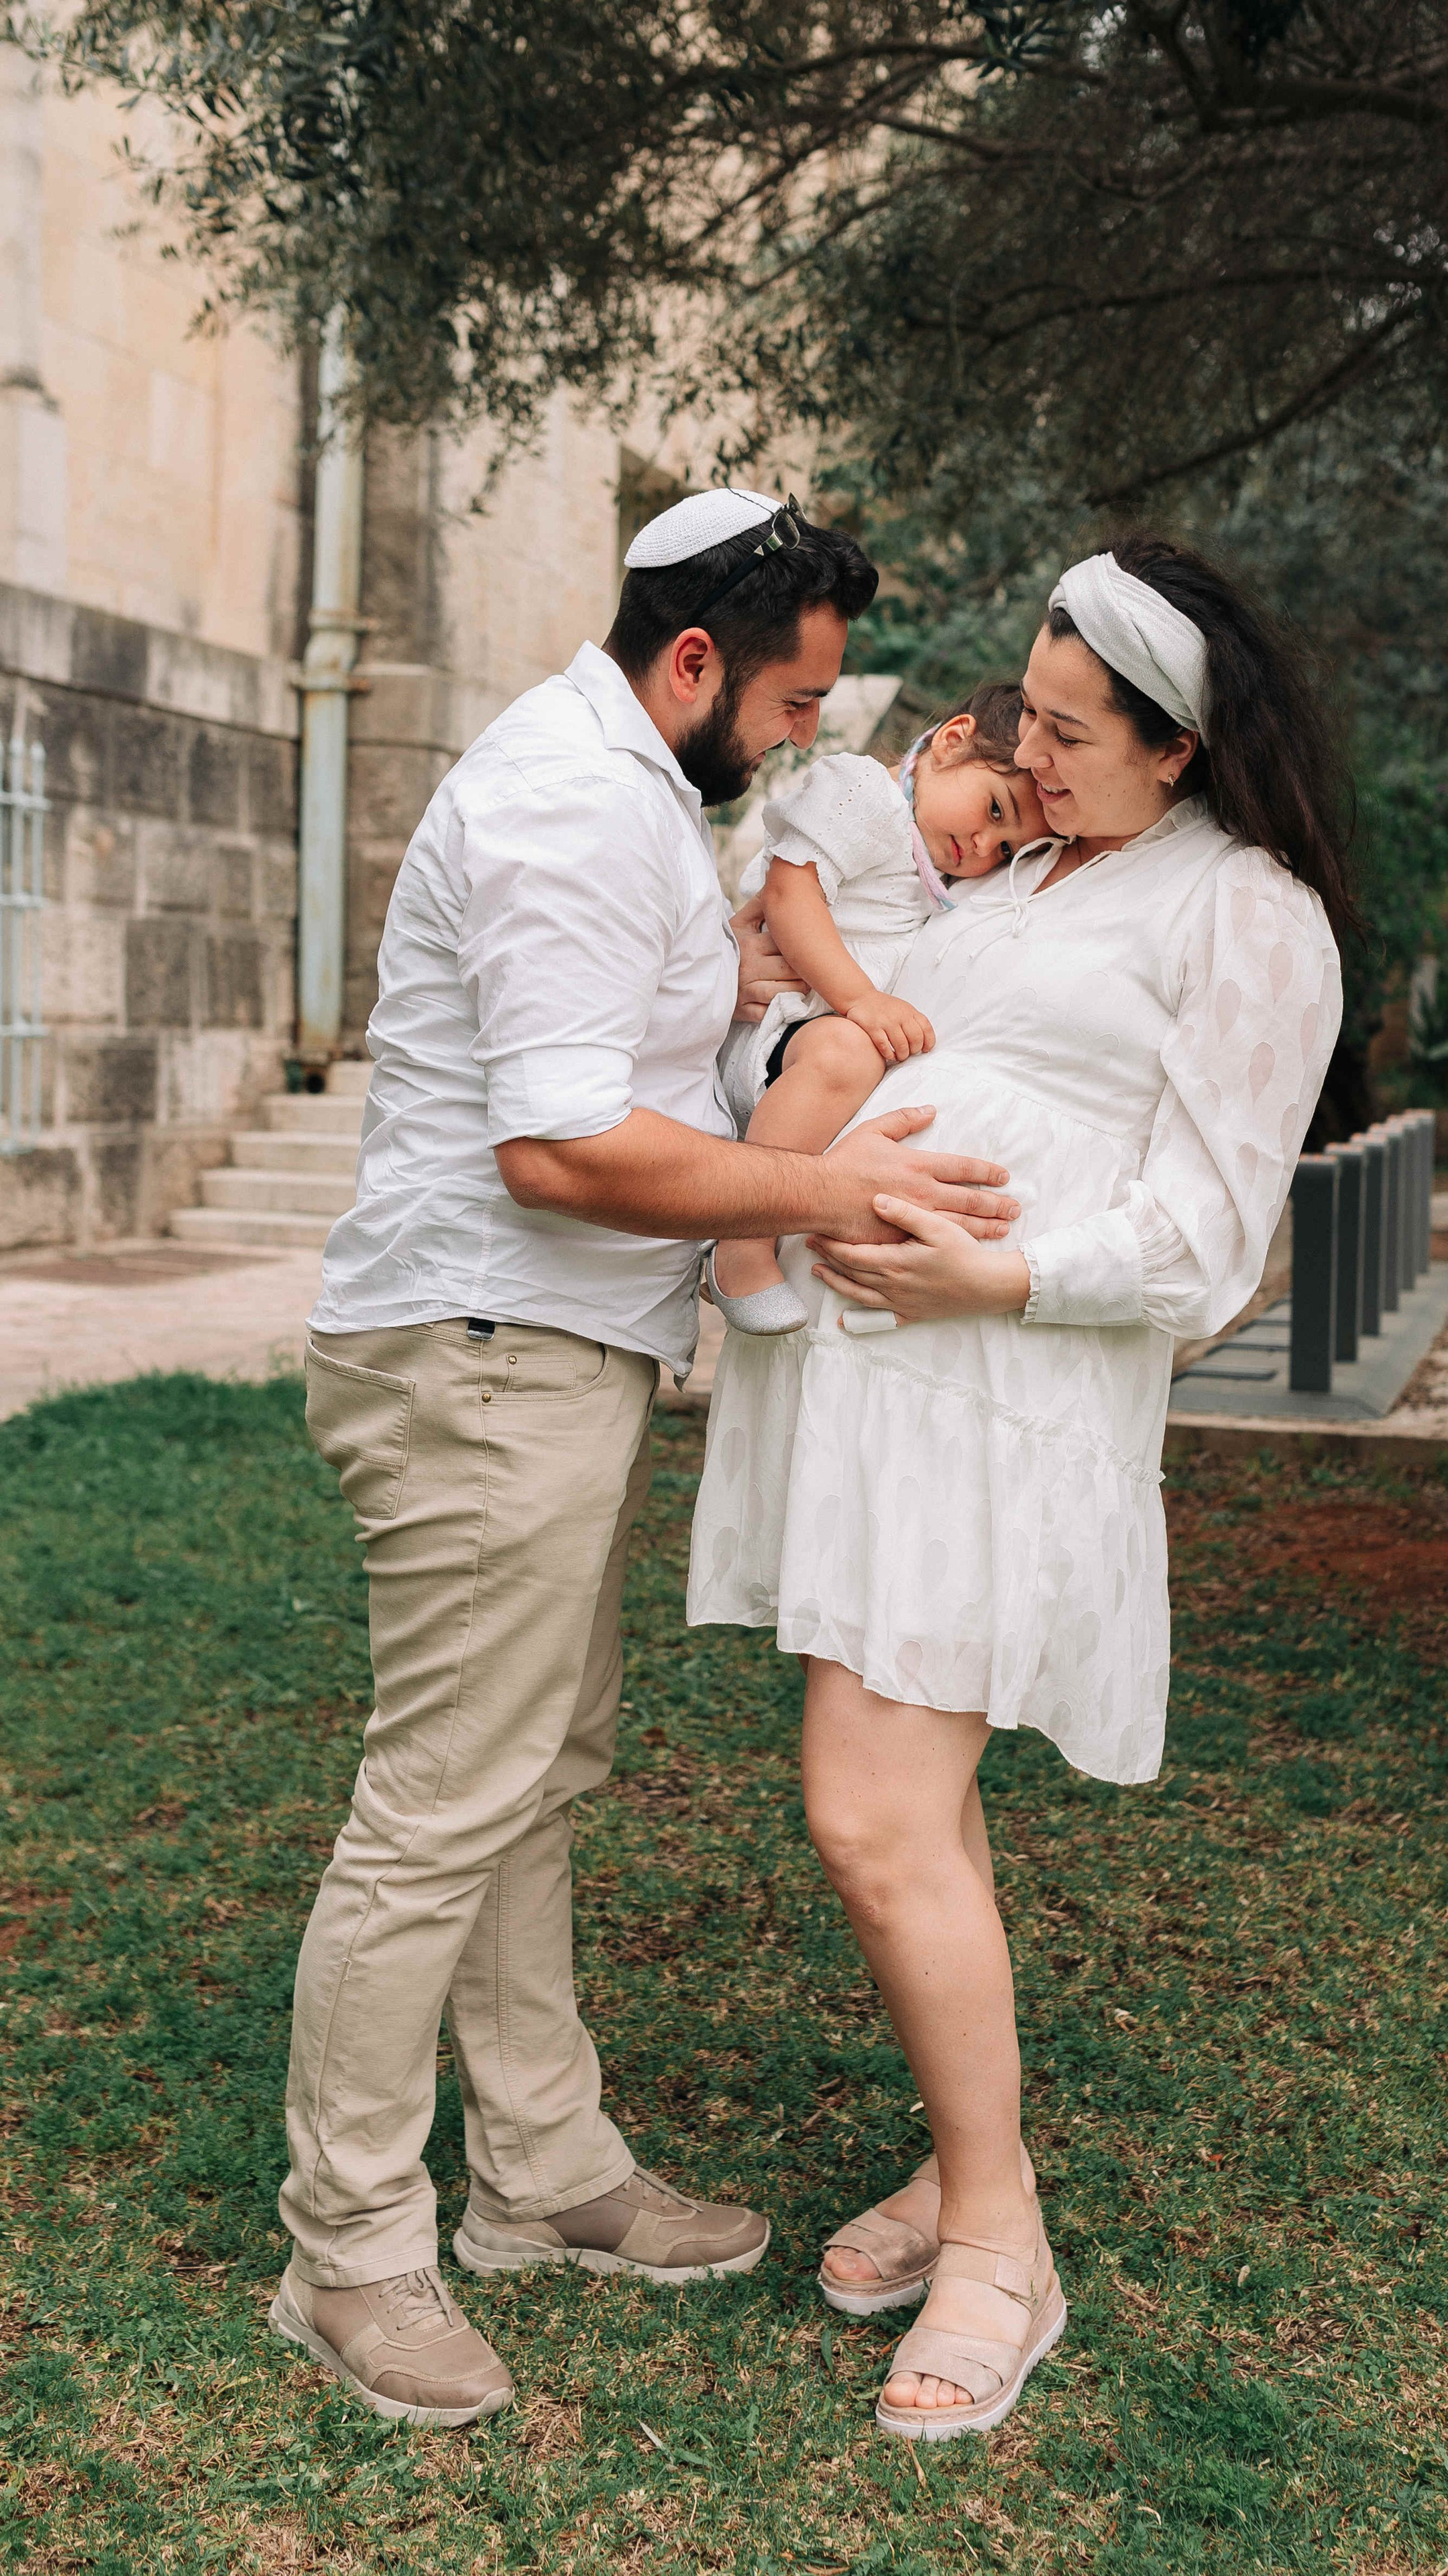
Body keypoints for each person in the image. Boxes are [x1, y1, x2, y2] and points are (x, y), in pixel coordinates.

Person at [273, 487, 1021, 2429]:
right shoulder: (569, 800)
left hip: (553, 1355)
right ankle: (349, 2248)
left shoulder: (636, 791)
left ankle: (542, 2176)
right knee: (442, 1802)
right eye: (787, 707)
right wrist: (820, 1181)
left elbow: (615, 1059)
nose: (796, 744)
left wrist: (758, 1007)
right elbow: (558, 1150)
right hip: (479, 1357)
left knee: (534, 1776)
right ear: (694, 660)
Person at [689, 533, 1352, 2440]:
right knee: (923, 1819)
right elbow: (854, 1028)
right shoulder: (1024, 876)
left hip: (1006, 1405)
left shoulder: (1249, 916)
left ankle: (1002, 2240)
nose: (1029, 760)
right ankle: (961, 2163)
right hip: (884, 1407)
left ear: (1184, 747)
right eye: (1031, 720)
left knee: (870, 1816)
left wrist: (1003, 1269)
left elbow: (1218, 1237)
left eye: (1069, 736)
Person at [710, 688, 1048, 1332]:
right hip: (776, 1031)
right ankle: (739, 1246)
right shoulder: (864, 793)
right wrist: (860, 1000)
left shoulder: (937, 869)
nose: (982, 845)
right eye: (994, 809)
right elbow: (790, 890)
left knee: (852, 1055)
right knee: (846, 1049)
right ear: (951, 742)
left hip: (809, 1059)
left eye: (1006, 848)